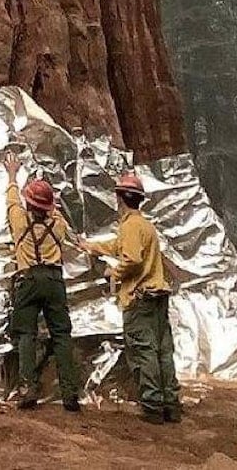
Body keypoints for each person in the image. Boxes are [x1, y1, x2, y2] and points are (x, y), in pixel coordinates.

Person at [79, 173, 181, 425]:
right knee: (162, 352)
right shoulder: (144, 225)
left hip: (140, 299)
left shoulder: (130, 226)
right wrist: (91, 246)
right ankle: (171, 404)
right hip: (157, 297)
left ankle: (153, 406)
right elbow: (121, 246)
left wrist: (113, 273)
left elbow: (131, 259)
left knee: (144, 352)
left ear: (120, 198)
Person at [3, 153, 82, 413]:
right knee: (61, 334)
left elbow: (12, 199)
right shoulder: (58, 225)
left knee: (26, 335)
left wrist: (13, 174)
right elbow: (55, 212)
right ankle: (70, 393)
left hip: (28, 280)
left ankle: (28, 388)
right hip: (54, 280)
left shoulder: (19, 220)